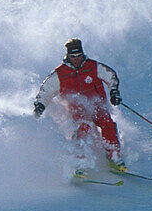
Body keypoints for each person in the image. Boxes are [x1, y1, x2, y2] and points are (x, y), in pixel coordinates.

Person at [33, 38, 125, 168]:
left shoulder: (93, 66)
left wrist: (114, 92)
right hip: (77, 110)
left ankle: (114, 156)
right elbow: (45, 91)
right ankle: (79, 162)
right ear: (68, 56)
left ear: (82, 54)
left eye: (79, 56)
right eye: (73, 56)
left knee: (107, 123)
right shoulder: (60, 73)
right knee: (83, 128)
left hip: (97, 106)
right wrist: (40, 105)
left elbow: (111, 77)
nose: (76, 59)